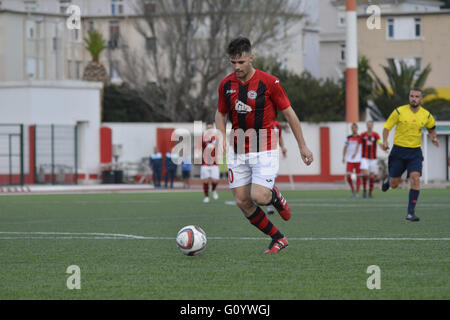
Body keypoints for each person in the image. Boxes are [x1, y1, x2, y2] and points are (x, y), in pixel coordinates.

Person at [215, 37, 313, 254]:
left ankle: (274, 195)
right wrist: (221, 136)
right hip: (238, 149)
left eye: (241, 62)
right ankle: (278, 238)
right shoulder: (226, 85)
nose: (237, 67)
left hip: (265, 147)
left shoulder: (270, 83)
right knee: (242, 201)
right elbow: (220, 113)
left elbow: (289, 113)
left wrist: (302, 146)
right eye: (233, 62)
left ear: (251, 58)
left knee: (259, 197)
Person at [381, 89, 439, 222]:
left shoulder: (426, 115)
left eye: (417, 96)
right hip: (398, 152)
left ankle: (410, 213)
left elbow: (432, 128)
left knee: (415, 178)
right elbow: (387, 127)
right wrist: (385, 140)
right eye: (411, 96)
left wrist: (434, 138)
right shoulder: (399, 111)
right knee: (395, 184)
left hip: (415, 152)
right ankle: (389, 180)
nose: (414, 99)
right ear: (409, 97)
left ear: (421, 99)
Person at [352, 121, 385, 199]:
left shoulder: (376, 135)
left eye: (371, 125)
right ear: (367, 126)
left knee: (372, 176)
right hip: (364, 158)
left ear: (372, 126)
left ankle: (370, 192)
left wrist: (384, 149)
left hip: (373, 159)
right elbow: (358, 144)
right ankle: (364, 191)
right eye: (368, 125)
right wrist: (355, 153)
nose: (369, 126)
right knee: (365, 174)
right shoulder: (363, 135)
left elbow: (380, 143)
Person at [267, 121, 287, 215]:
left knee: (271, 179)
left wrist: (283, 147)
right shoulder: (260, 121)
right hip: (260, 154)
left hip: (273, 155)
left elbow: (280, 137)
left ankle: (270, 205)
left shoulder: (277, 125)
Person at [200, 124, 220, 203]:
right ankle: (206, 197)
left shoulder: (217, 138)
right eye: (208, 128)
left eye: (211, 128)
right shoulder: (203, 138)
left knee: (215, 181)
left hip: (214, 163)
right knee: (205, 181)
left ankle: (213, 190)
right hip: (205, 163)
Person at [343, 123, 362, 198]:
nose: (354, 129)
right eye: (353, 128)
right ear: (351, 129)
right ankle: (352, 188)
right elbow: (345, 147)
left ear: (357, 129)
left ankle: (357, 192)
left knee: (358, 176)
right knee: (348, 176)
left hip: (358, 159)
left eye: (355, 128)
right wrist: (343, 157)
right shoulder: (348, 138)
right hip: (350, 159)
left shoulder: (360, 137)